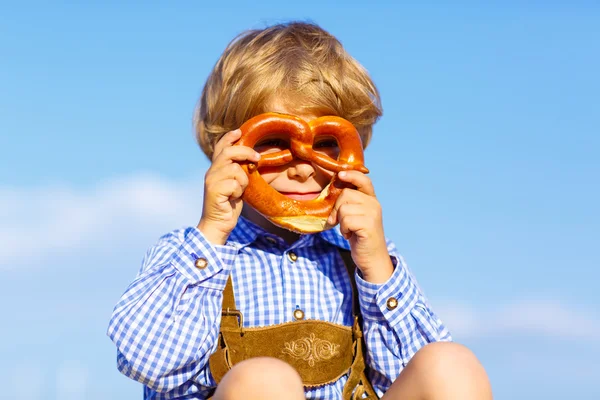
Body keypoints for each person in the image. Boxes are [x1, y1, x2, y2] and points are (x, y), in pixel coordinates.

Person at [108, 21, 492, 400]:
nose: (304, 167)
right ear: (226, 148)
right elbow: (148, 362)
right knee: (264, 380)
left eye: (326, 143)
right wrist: (212, 234)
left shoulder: (359, 256)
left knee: (449, 364)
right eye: (275, 140)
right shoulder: (192, 253)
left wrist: (377, 268)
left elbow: (406, 377)